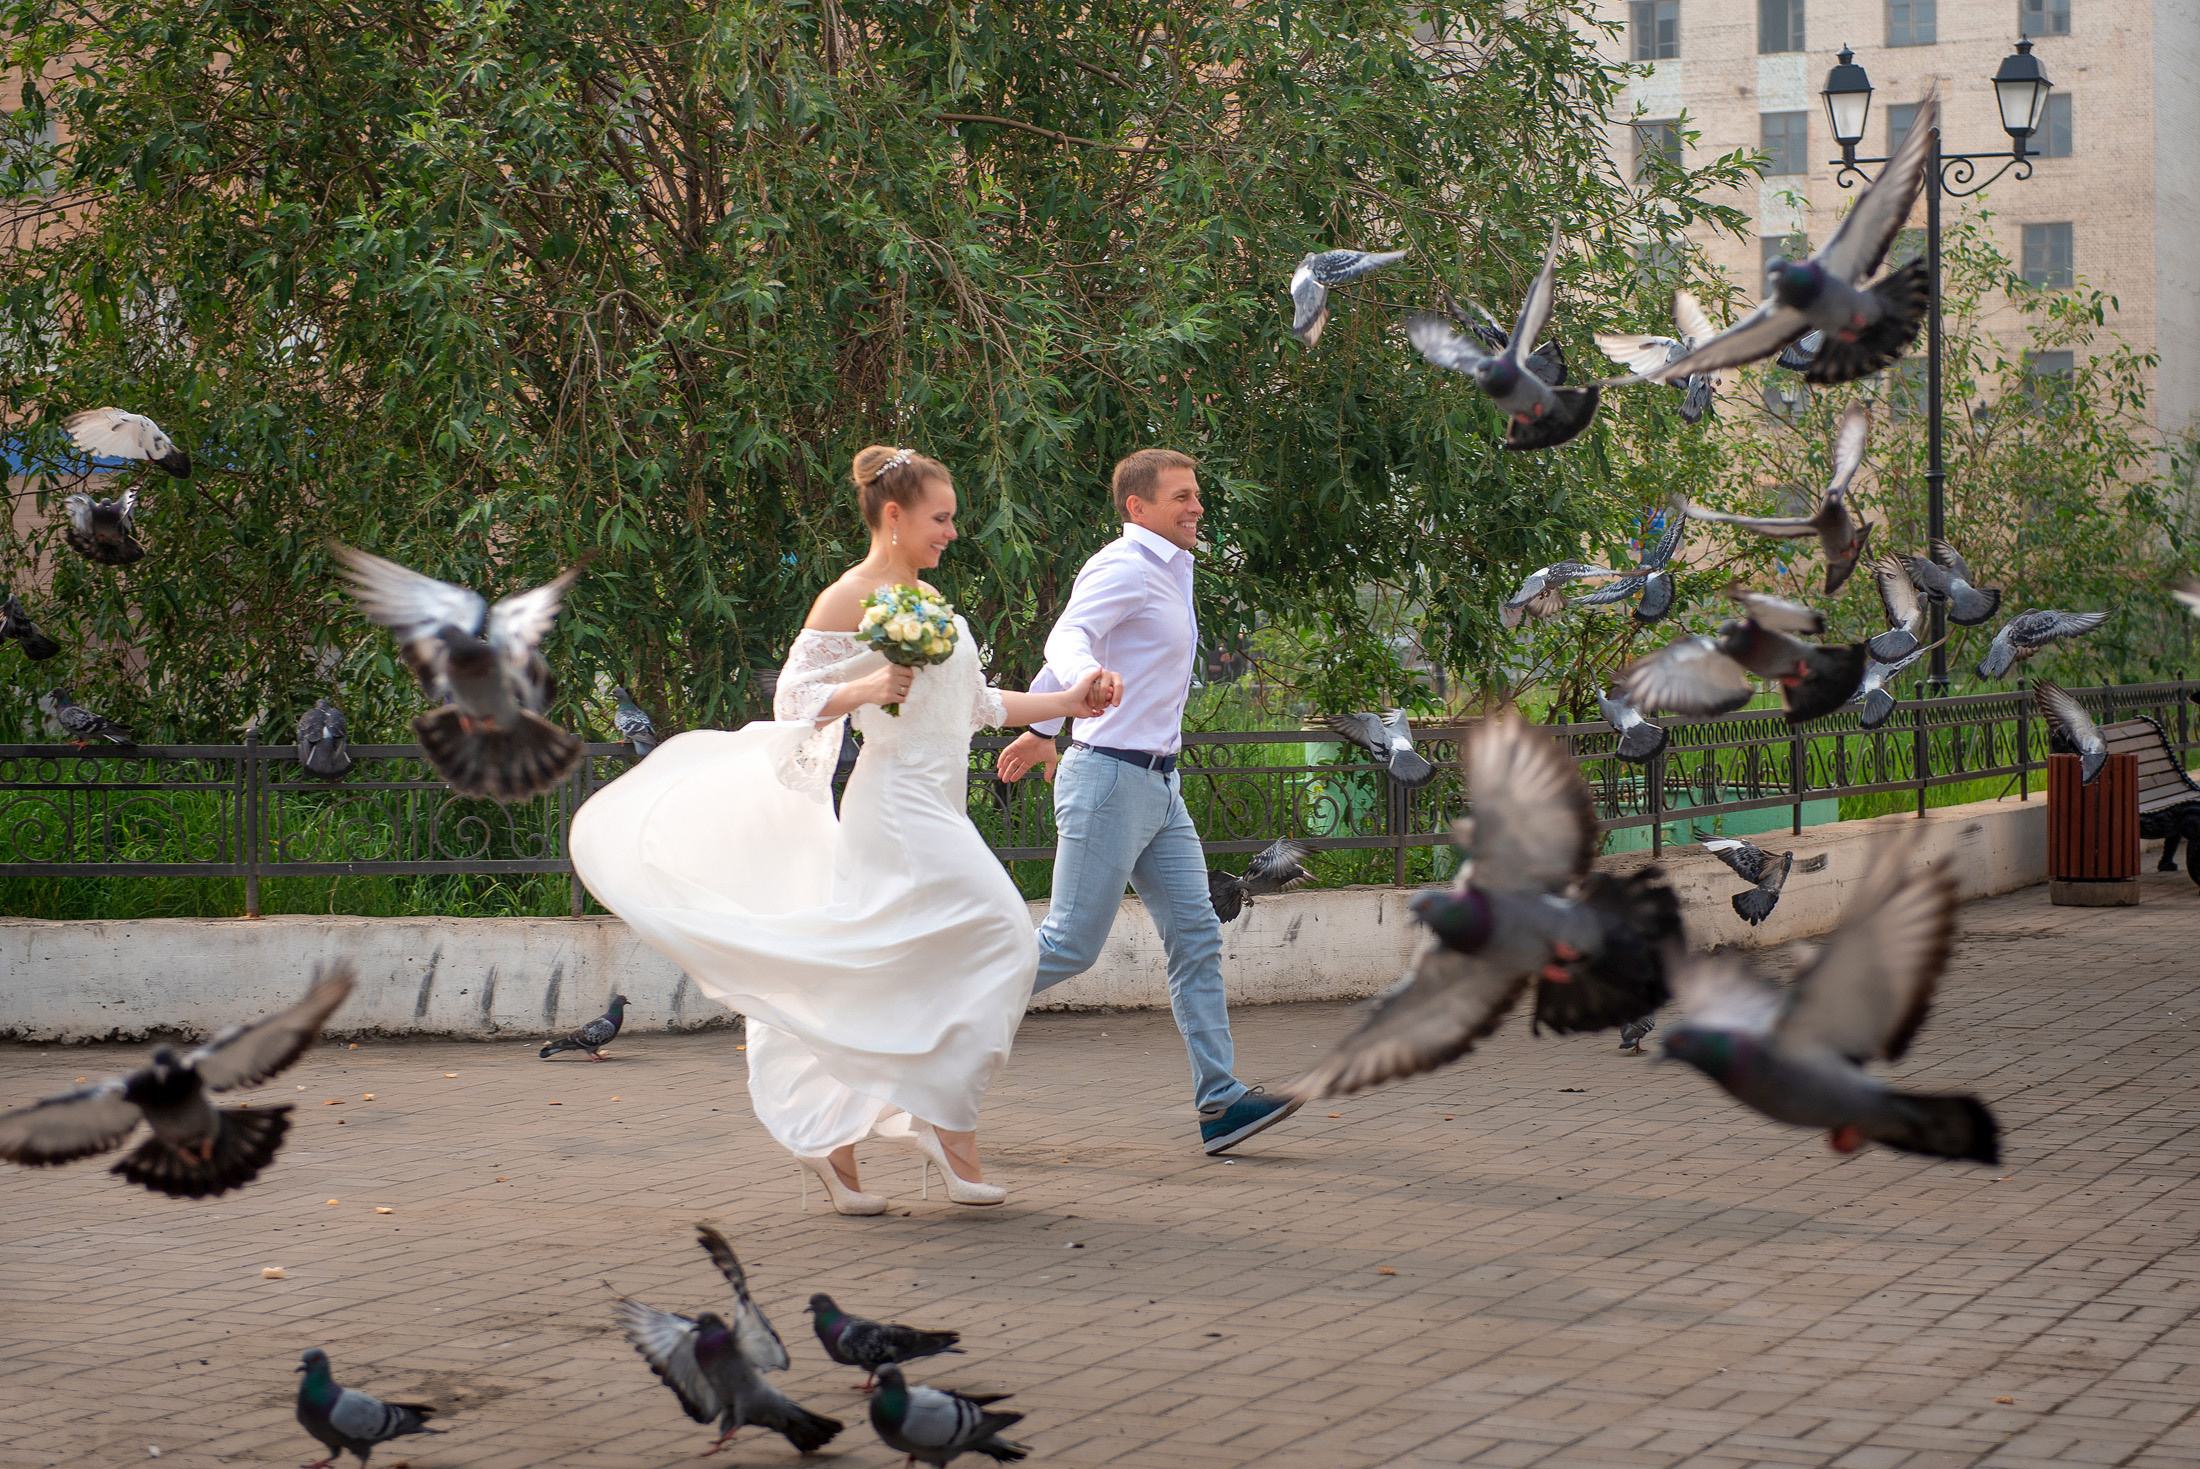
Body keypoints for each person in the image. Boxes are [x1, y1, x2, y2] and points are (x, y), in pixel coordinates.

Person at [569, 446, 1111, 1214]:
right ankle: (943, 1121)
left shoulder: (933, 605)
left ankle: (840, 1141)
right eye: (941, 517)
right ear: (894, 516)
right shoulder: (847, 598)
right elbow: (793, 697)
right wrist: (865, 685)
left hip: (940, 801)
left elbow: (981, 704)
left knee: (884, 971)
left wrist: (1070, 703)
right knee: (1004, 932)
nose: (952, 531)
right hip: (893, 805)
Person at [996, 449, 1303, 1155]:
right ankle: (936, 1013)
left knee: (1195, 935)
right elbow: (1068, 637)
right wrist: (1082, 686)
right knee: (1071, 943)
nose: (1197, 506)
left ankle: (1221, 1104)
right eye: (1182, 497)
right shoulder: (1123, 566)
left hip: (1160, 786)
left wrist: (1044, 729)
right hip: (1107, 779)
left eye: (1197, 495)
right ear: (1139, 508)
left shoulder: (1169, 570)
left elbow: (1082, 647)